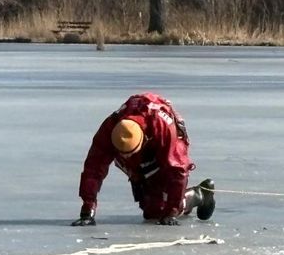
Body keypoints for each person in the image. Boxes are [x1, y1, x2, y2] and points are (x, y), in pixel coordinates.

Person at [71, 93, 216, 227]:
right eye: (123, 154)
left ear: (143, 140)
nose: (127, 156)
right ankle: (166, 200)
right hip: (139, 161)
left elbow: (177, 171)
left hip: (162, 148)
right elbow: (93, 168)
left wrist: (171, 212)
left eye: (130, 153)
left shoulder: (163, 129)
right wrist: (87, 209)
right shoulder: (109, 129)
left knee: (160, 210)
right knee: (150, 211)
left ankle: (199, 195)